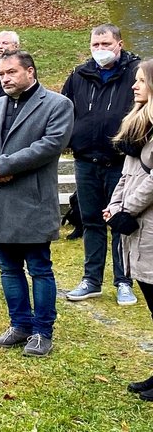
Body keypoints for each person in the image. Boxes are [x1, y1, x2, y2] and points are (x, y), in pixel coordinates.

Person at [0, 50, 74, 357]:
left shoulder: (57, 105)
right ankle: (19, 326)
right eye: (1, 74)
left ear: (30, 72)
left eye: (11, 73)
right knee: (8, 269)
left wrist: (5, 165)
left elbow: (50, 145)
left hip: (31, 199)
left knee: (39, 268)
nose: (5, 78)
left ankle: (43, 332)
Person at [63, 23, 142, 306]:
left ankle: (124, 281)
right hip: (86, 160)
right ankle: (91, 280)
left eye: (106, 44)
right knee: (92, 221)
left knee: (120, 221)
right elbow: (65, 109)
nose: (100, 50)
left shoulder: (136, 73)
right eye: (95, 45)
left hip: (121, 162)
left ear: (119, 44)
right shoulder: (79, 75)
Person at [109, 61, 153, 396]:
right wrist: (115, 205)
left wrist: (129, 208)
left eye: (141, 81)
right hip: (136, 224)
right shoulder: (139, 126)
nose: (134, 86)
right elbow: (127, 173)